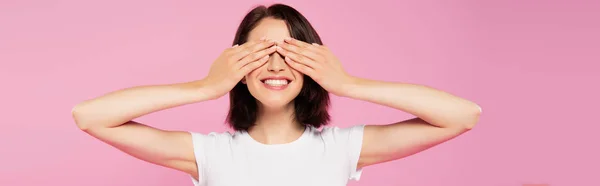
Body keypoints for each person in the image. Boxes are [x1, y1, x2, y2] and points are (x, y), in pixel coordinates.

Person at [71, 3, 481, 186]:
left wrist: (347, 83)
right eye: (261, 53)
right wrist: (206, 87)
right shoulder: (210, 155)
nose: (275, 66)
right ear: (238, 67)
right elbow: (90, 116)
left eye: (290, 53)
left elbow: (463, 115)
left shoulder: (341, 149)